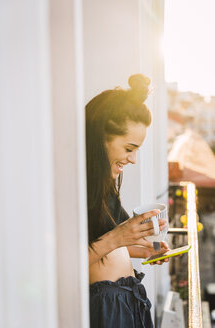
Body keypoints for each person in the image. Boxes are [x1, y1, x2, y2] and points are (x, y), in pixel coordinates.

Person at [86, 74, 169, 328]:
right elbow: (62, 264)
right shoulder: (72, 187)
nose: (132, 159)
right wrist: (118, 237)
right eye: (128, 148)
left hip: (126, 303)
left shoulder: (103, 185)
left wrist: (144, 250)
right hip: (107, 309)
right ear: (101, 138)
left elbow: (105, 245)